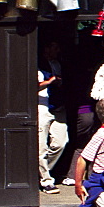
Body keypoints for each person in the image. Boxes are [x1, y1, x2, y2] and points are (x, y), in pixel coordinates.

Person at [38, 40, 68, 194]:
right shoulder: (36, 63)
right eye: (55, 46)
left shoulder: (58, 63)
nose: (57, 50)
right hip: (42, 106)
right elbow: (31, 85)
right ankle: (46, 181)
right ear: (47, 47)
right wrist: (50, 81)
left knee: (61, 142)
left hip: (57, 106)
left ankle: (38, 172)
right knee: (41, 147)